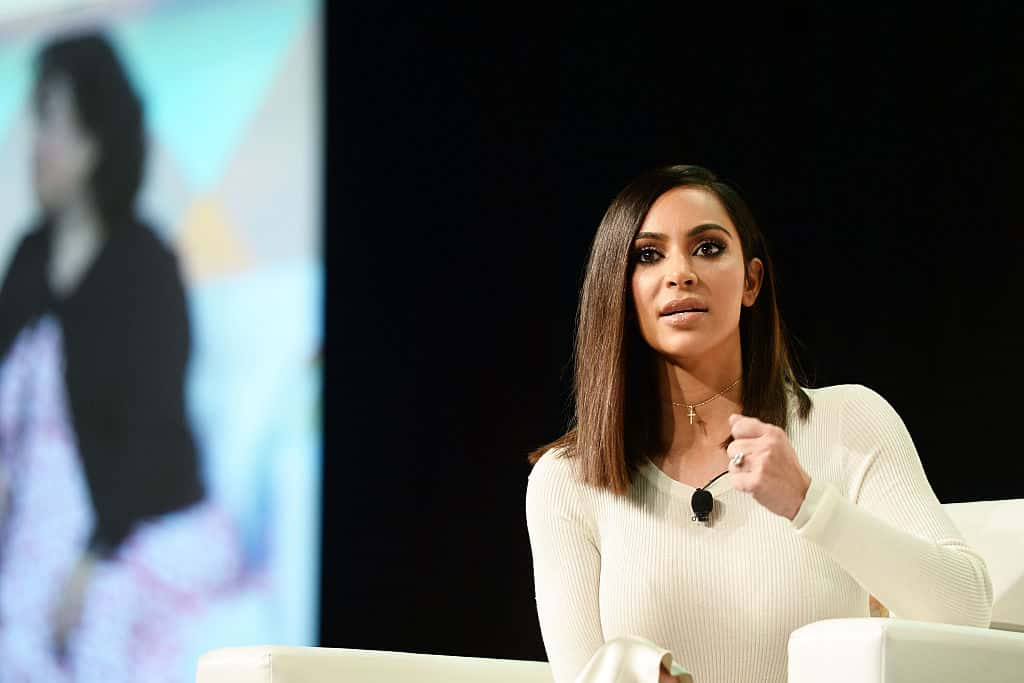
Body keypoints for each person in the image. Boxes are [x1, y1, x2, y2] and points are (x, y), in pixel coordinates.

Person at [524, 164, 993, 683]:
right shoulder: (568, 480)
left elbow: (966, 607)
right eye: (648, 255)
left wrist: (808, 503)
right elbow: (581, 676)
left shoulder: (849, 422)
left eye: (707, 247)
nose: (680, 272)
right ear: (621, 290)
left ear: (751, 281)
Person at [0, 31, 239, 682]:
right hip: (36, 523)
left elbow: (153, 434)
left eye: (51, 122)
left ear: (95, 140)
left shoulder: (146, 265)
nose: (35, 147)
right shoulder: (26, 256)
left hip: (141, 519)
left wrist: (94, 552)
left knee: (97, 612)